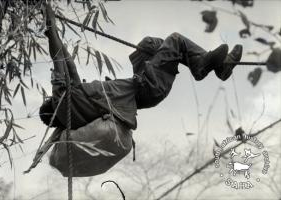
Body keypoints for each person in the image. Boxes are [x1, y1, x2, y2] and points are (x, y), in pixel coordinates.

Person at [39, 3, 242, 130]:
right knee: (176, 40)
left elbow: (68, 67)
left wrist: (53, 32)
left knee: (148, 45)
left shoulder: (74, 117)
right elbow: (61, 60)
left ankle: (217, 67)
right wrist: (51, 28)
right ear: (54, 102)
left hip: (143, 88)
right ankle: (201, 66)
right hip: (147, 87)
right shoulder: (65, 100)